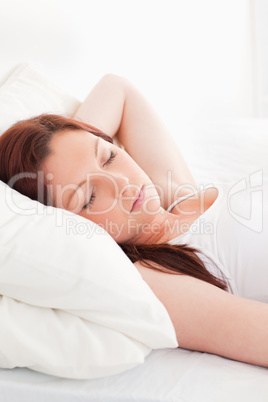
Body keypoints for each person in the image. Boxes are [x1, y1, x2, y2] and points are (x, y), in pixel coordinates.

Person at [0, 74, 267, 368]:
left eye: (109, 157)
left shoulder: (175, 194)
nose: (123, 184)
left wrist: (67, 141)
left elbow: (117, 89)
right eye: (88, 197)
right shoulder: (158, 280)